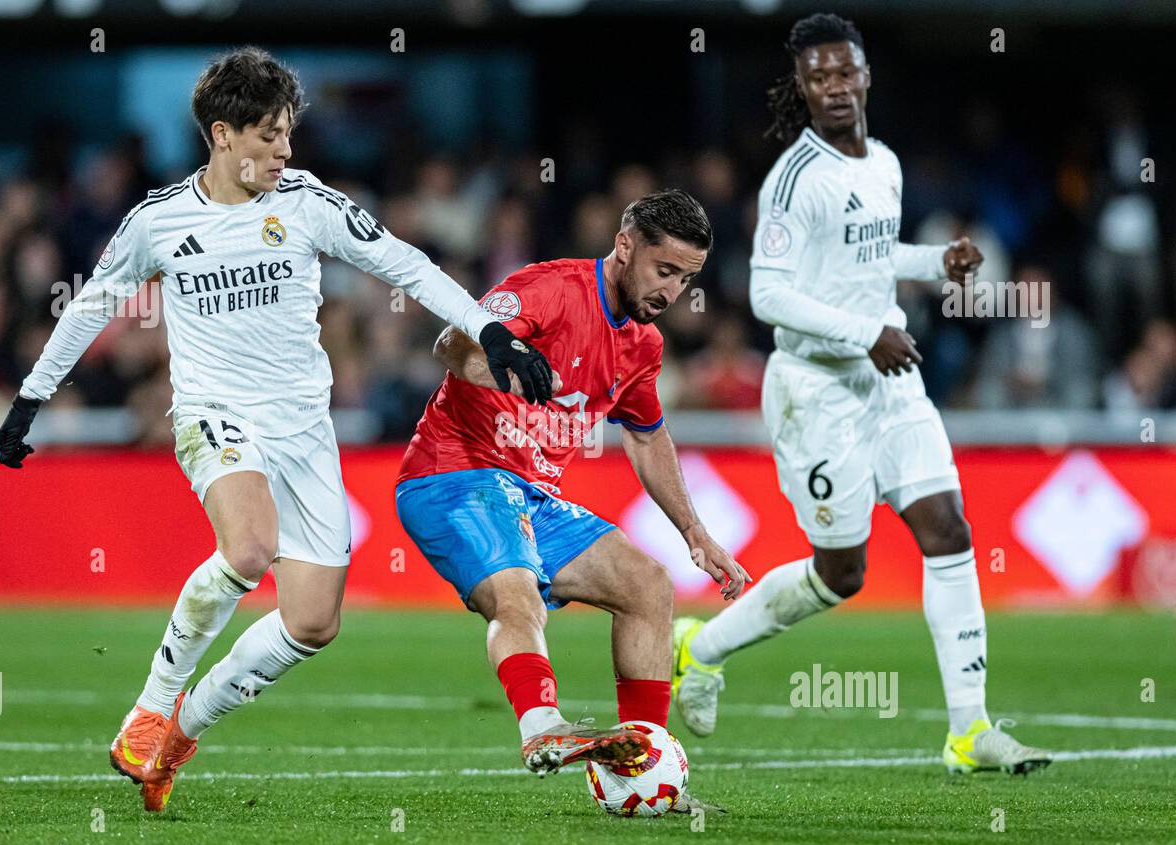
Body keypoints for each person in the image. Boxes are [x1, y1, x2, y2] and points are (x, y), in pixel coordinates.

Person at [0, 47, 554, 812]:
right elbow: (92, 304)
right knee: (249, 547)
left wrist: (488, 330)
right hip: (213, 415)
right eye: (267, 136)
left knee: (314, 622)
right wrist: (31, 399)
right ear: (221, 135)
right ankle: (154, 703)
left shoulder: (308, 204)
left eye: (288, 134)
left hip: (303, 428)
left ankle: (181, 732)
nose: (284, 152)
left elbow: (404, 264)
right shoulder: (158, 223)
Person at [671, 14, 1051, 775]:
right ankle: (699, 646)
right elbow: (767, 293)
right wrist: (859, 334)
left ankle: (969, 732)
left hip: (891, 379)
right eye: (819, 78)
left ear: (865, 76)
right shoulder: (793, 180)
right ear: (804, 89)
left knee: (948, 529)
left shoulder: (884, 161)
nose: (835, 88)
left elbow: (869, 259)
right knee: (843, 573)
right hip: (819, 392)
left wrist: (936, 260)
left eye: (845, 73)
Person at [396, 190, 749, 775]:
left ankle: (644, 760)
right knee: (518, 594)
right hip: (453, 472)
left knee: (648, 586)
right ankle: (542, 730)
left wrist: (696, 532)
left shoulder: (643, 344)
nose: (671, 292)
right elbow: (450, 346)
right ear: (624, 245)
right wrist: (505, 366)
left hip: (533, 496)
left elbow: (645, 435)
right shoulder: (548, 288)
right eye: (664, 271)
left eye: (685, 280)